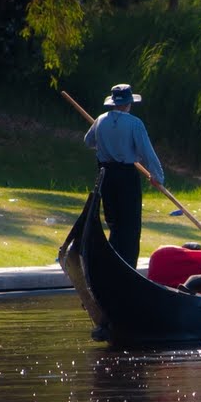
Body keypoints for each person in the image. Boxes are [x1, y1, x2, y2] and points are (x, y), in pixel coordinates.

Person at [84, 83, 165, 267]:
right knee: (130, 225)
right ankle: (126, 265)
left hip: (105, 176)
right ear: (129, 103)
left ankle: (112, 262)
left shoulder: (100, 120)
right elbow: (147, 153)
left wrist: (106, 143)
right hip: (126, 176)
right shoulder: (135, 124)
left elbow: (88, 142)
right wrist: (157, 177)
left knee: (114, 222)